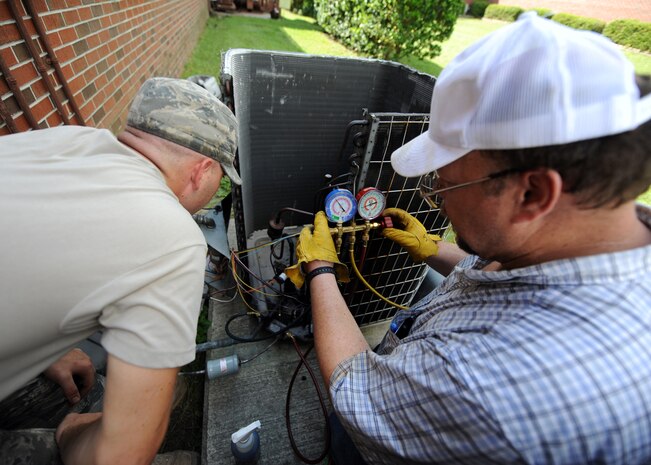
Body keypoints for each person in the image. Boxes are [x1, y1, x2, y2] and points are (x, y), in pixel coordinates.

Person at [286, 12, 651, 465]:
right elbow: (508, 279)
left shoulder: (486, 383)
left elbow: (355, 387)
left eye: (444, 186)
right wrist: (434, 248)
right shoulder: (597, 238)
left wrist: (320, 270)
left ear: (533, 193)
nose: (437, 199)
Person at [0, 77, 239, 465]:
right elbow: (119, 456)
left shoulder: (66, 140)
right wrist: (70, 431)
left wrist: (45, 353)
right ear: (202, 171)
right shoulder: (174, 239)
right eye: (221, 179)